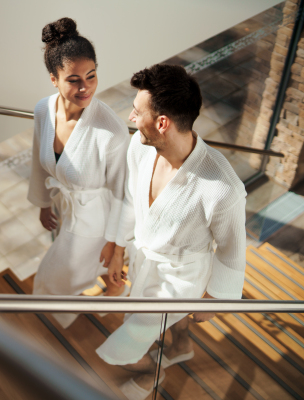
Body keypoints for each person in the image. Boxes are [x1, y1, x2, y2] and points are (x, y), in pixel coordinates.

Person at [95, 64, 246, 399]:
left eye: (137, 112)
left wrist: (215, 300)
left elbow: (233, 252)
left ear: (161, 122)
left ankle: (152, 374)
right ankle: (181, 347)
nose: (132, 119)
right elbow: (131, 199)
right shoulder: (140, 147)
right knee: (171, 321)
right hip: (145, 260)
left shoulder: (221, 186)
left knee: (127, 342)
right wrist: (118, 246)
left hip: (182, 278)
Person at [27, 17, 130, 329]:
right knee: (78, 268)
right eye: (73, 79)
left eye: (91, 76)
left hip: (96, 220)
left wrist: (116, 249)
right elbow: (37, 159)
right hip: (66, 210)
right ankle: (115, 286)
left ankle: (53, 325)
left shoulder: (110, 131)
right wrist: (44, 203)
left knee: (52, 278)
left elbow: (125, 195)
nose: (85, 87)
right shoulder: (44, 109)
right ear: (54, 79)